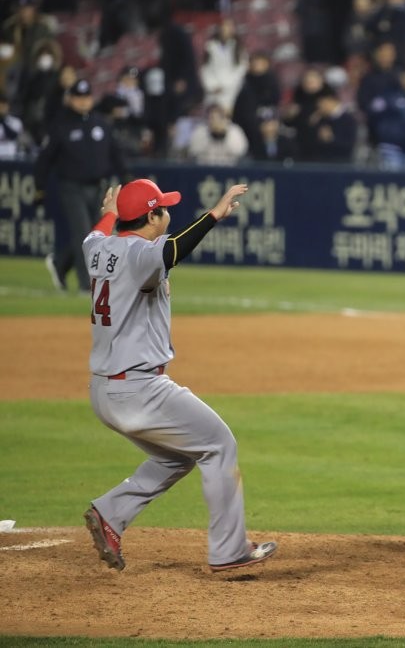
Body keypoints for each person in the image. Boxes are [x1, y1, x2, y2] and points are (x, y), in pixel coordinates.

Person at [82, 178, 278, 573]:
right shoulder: (141, 253)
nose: (169, 214)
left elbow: (96, 233)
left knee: (178, 458)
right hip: (140, 389)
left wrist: (109, 211)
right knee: (220, 443)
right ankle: (229, 550)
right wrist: (215, 215)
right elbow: (172, 250)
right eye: (164, 209)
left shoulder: (98, 249)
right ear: (151, 216)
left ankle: (110, 514)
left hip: (105, 390)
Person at [35, 78, 126, 294]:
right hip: (71, 186)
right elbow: (45, 159)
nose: (83, 102)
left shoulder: (101, 124)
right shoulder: (60, 125)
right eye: (79, 97)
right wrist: (40, 186)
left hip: (98, 187)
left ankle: (61, 263)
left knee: (98, 235)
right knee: (85, 235)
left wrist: (127, 176)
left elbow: (116, 154)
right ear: (71, 99)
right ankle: (87, 285)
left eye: (86, 97)